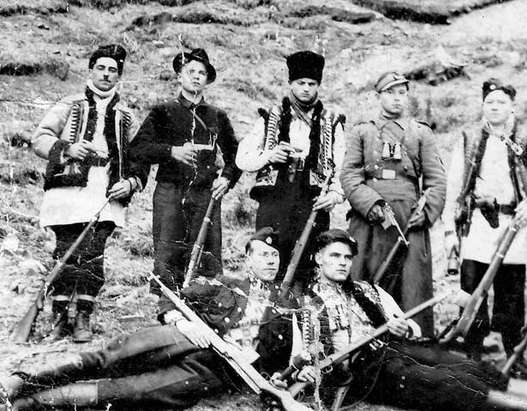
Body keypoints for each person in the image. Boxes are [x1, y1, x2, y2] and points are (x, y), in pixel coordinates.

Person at [0, 228, 302, 410]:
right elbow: (172, 297)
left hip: (219, 370)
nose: (270, 261)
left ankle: (28, 405)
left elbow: (284, 360)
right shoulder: (224, 283)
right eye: (263, 254)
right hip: (186, 336)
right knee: (110, 356)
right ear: (248, 258)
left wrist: (278, 375)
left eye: (275, 256)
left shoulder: (287, 306)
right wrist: (181, 322)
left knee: (131, 391)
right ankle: (20, 382)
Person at [294, 229, 527, 411]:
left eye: (347, 258)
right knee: (450, 384)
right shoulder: (308, 305)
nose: (343, 263)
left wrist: (404, 327)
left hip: (395, 351)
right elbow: (307, 360)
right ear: (318, 258)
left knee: (470, 367)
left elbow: (410, 326)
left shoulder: (366, 290)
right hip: (365, 373)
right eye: (335, 256)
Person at [442, 78, 527, 379]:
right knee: (472, 292)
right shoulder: (468, 139)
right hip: (477, 227)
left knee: (511, 295)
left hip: (514, 226)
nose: (495, 107)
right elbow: (453, 187)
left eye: (501, 102)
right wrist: (449, 231)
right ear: (483, 106)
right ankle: (472, 354)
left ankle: (511, 355)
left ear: (512, 107)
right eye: (490, 102)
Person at [31, 44, 145, 342]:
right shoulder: (69, 104)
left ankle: (83, 314)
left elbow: (139, 158)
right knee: (66, 251)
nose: (106, 74)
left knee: (93, 253)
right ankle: (59, 316)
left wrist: (131, 182)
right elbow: (40, 138)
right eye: (101, 68)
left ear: (119, 76)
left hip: (105, 190)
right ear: (91, 70)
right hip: (68, 189)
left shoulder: (126, 116)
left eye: (113, 70)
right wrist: (67, 149)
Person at [340, 72, 446, 335]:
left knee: (412, 285)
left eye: (402, 93)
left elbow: (436, 179)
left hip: (409, 220)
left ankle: (414, 344)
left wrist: (427, 211)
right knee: (366, 279)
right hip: (370, 219)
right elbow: (350, 175)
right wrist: (370, 203)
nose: (397, 99)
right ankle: (363, 339)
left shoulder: (420, 132)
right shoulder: (362, 131)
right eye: (390, 93)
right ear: (378, 96)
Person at [129, 48, 241, 295]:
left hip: (205, 195)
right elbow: (138, 149)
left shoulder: (217, 116)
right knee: (167, 255)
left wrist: (227, 178)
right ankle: (167, 309)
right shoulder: (163, 111)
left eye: (202, 73)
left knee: (206, 257)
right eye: (191, 71)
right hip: (170, 192)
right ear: (179, 76)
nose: (196, 76)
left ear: (207, 80)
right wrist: (171, 151)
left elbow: (236, 156)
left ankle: (204, 310)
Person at [235, 50, 345, 292]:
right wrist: (269, 156)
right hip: (276, 198)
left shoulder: (331, 120)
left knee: (309, 259)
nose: (306, 89)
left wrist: (335, 195)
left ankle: (304, 309)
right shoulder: (271, 116)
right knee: (271, 254)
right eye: (300, 83)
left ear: (318, 85)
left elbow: (341, 165)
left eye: (311, 84)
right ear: (290, 83)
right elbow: (242, 159)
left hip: (312, 199)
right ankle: (268, 307)